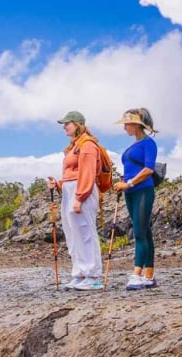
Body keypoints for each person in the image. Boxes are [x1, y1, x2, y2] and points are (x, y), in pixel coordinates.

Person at [48, 111, 106, 291]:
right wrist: (58, 184)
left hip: (82, 191)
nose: (65, 127)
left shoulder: (87, 145)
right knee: (73, 232)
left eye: (68, 123)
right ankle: (80, 272)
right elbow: (71, 174)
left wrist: (80, 197)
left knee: (85, 231)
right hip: (70, 190)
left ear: (78, 124)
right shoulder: (74, 146)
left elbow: (87, 173)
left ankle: (94, 275)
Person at [113, 108, 159, 290]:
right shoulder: (132, 147)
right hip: (130, 191)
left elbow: (149, 169)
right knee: (145, 231)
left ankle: (137, 274)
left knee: (139, 233)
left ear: (137, 125)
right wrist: (123, 183)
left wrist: (130, 183)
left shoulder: (149, 143)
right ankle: (149, 275)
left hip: (142, 191)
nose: (125, 128)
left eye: (127, 124)